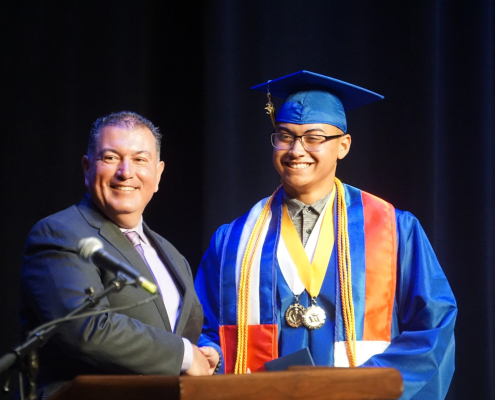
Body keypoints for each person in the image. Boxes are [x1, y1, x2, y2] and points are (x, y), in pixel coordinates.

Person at [195, 71, 457, 399]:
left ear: (343, 146)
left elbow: (433, 327)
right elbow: (204, 327)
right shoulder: (233, 240)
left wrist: (360, 388)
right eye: (285, 135)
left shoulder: (393, 230)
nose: (296, 150)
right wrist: (211, 354)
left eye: (314, 137)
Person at [20, 111, 219, 398]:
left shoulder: (172, 255)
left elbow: (173, 333)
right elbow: (85, 328)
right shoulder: (58, 234)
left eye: (140, 159)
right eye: (111, 158)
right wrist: (186, 355)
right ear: (87, 168)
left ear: (158, 174)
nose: (126, 172)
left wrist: (204, 353)